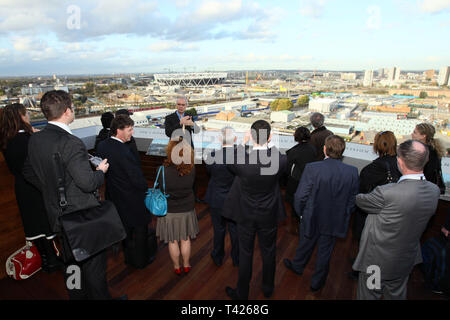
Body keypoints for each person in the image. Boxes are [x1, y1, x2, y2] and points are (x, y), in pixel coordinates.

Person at [22, 90, 114, 300]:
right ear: (66, 111)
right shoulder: (71, 143)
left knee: (72, 265)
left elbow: (28, 171)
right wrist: (101, 172)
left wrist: (51, 188)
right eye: (72, 107)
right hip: (82, 218)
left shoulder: (35, 139)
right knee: (95, 269)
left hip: (57, 216)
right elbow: (87, 182)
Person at [353, 140, 440, 300]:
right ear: (426, 160)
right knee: (396, 295)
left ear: (400, 161)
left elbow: (360, 200)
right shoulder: (434, 191)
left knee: (370, 294)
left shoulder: (387, 193)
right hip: (405, 259)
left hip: (377, 263)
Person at [284, 135, 359, 292]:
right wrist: (344, 213)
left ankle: (297, 266)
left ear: (324, 149)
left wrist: (302, 214)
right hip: (334, 219)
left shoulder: (313, 168)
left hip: (311, 216)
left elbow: (300, 196)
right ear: (342, 151)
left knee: (305, 244)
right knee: (325, 252)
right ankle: (317, 282)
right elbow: (353, 199)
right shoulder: (352, 172)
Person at [223, 120, 287, 300]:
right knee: (269, 251)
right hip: (269, 213)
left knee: (245, 253)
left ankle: (242, 293)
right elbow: (277, 154)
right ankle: (267, 288)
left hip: (246, 213)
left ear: (251, 136)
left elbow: (230, 161)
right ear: (270, 136)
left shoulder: (242, 161)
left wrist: (243, 143)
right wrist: (269, 142)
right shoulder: (280, 160)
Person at [0, 103, 62, 273]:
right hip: (36, 186)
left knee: (34, 225)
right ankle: (53, 261)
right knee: (45, 223)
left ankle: (45, 260)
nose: (28, 117)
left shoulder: (7, 140)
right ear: (20, 117)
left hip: (21, 187)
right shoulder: (27, 140)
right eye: (26, 114)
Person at [96, 115, 151, 269]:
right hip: (132, 198)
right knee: (140, 228)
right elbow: (136, 178)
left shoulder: (102, 146)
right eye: (129, 129)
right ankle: (140, 261)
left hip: (114, 195)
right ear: (118, 130)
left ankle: (128, 257)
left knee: (125, 229)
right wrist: (146, 189)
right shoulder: (124, 151)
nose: (132, 133)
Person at [156, 138, 199, 275]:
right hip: (186, 209)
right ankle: (186, 265)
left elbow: (159, 189)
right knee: (185, 239)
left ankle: (176, 267)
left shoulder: (162, 170)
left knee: (172, 240)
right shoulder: (192, 169)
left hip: (168, 210)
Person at [352, 131, 402, 244]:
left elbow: (361, 196)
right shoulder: (402, 165)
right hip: (394, 217)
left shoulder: (372, 169)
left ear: (377, 145)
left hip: (372, 218)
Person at [204, 126, 239, 267]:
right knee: (234, 230)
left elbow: (209, 173)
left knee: (218, 230)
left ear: (219, 139)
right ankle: (236, 259)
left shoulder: (211, 156)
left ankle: (218, 256)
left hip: (216, 198)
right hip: (234, 200)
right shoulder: (241, 157)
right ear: (235, 139)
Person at [285, 126, 317, 235]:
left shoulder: (293, 151)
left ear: (296, 137)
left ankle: (295, 224)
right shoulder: (313, 149)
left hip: (297, 180)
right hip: (311, 180)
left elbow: (287, 169)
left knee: (295, 203)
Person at [412, 123, 445, 192]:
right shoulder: (433, 150)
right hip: (431, 188)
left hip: (423, 189)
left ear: (423, 136)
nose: (412, 134)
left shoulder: (424, 151)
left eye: (415, 132)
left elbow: (426, 173)